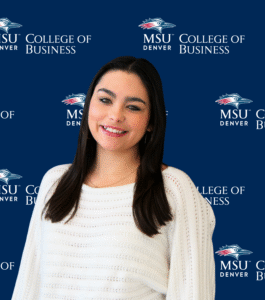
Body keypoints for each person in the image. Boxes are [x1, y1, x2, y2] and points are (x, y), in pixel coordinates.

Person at [11, 56, 216, 300]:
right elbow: (28, 286)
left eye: (133, 107)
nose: (115, 115)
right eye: (105, 100)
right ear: (88, 106)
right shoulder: (55, 182)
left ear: (151, 121)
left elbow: (193, 292)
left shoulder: (173, 189)